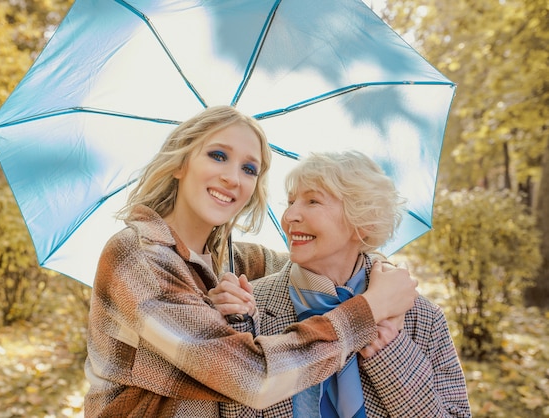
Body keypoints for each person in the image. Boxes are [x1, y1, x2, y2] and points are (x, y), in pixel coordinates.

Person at [83, 106, 419, 417]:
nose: (233, 178)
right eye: (218, 156)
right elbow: (253, 378)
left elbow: (330, 257)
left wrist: (384, 275)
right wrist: (370, 308)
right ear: (179, 164)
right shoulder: (139, 256)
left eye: (249, 169)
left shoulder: (235, 261)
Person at [212, 151, 471, 417]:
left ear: (363, 222)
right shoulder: (249, 309)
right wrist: (237, 330)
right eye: (290, 202)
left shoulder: (423, 317)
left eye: (312, 201)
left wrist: (391, 352)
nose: (289, 216)